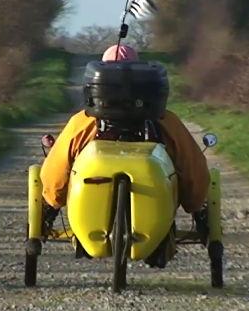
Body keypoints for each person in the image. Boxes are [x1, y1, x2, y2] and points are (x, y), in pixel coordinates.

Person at [39, 44, 210, 228]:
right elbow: (192, 164)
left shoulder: (83, 123)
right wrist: (195, 202)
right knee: (186, 157)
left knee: (63, 157)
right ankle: (199, 214)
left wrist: (53, 199)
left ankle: (50, 211)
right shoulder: (165, 121)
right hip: (154, 199)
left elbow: (57, 168)